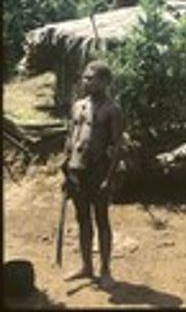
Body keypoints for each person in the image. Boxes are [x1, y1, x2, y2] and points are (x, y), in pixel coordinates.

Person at [63, 60, 123, 289]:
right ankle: (86, 266)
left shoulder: (112, 109)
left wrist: (109, 177)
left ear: (105, 81)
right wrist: (66, 169)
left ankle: (105, 270)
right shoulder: (78, 105)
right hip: (77, 172)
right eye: (85, 77)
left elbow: (117, 146)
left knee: (101, 220)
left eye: (92, 78)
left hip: (98, 171)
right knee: (82, 220)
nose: (86, 81)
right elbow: (71, 137)